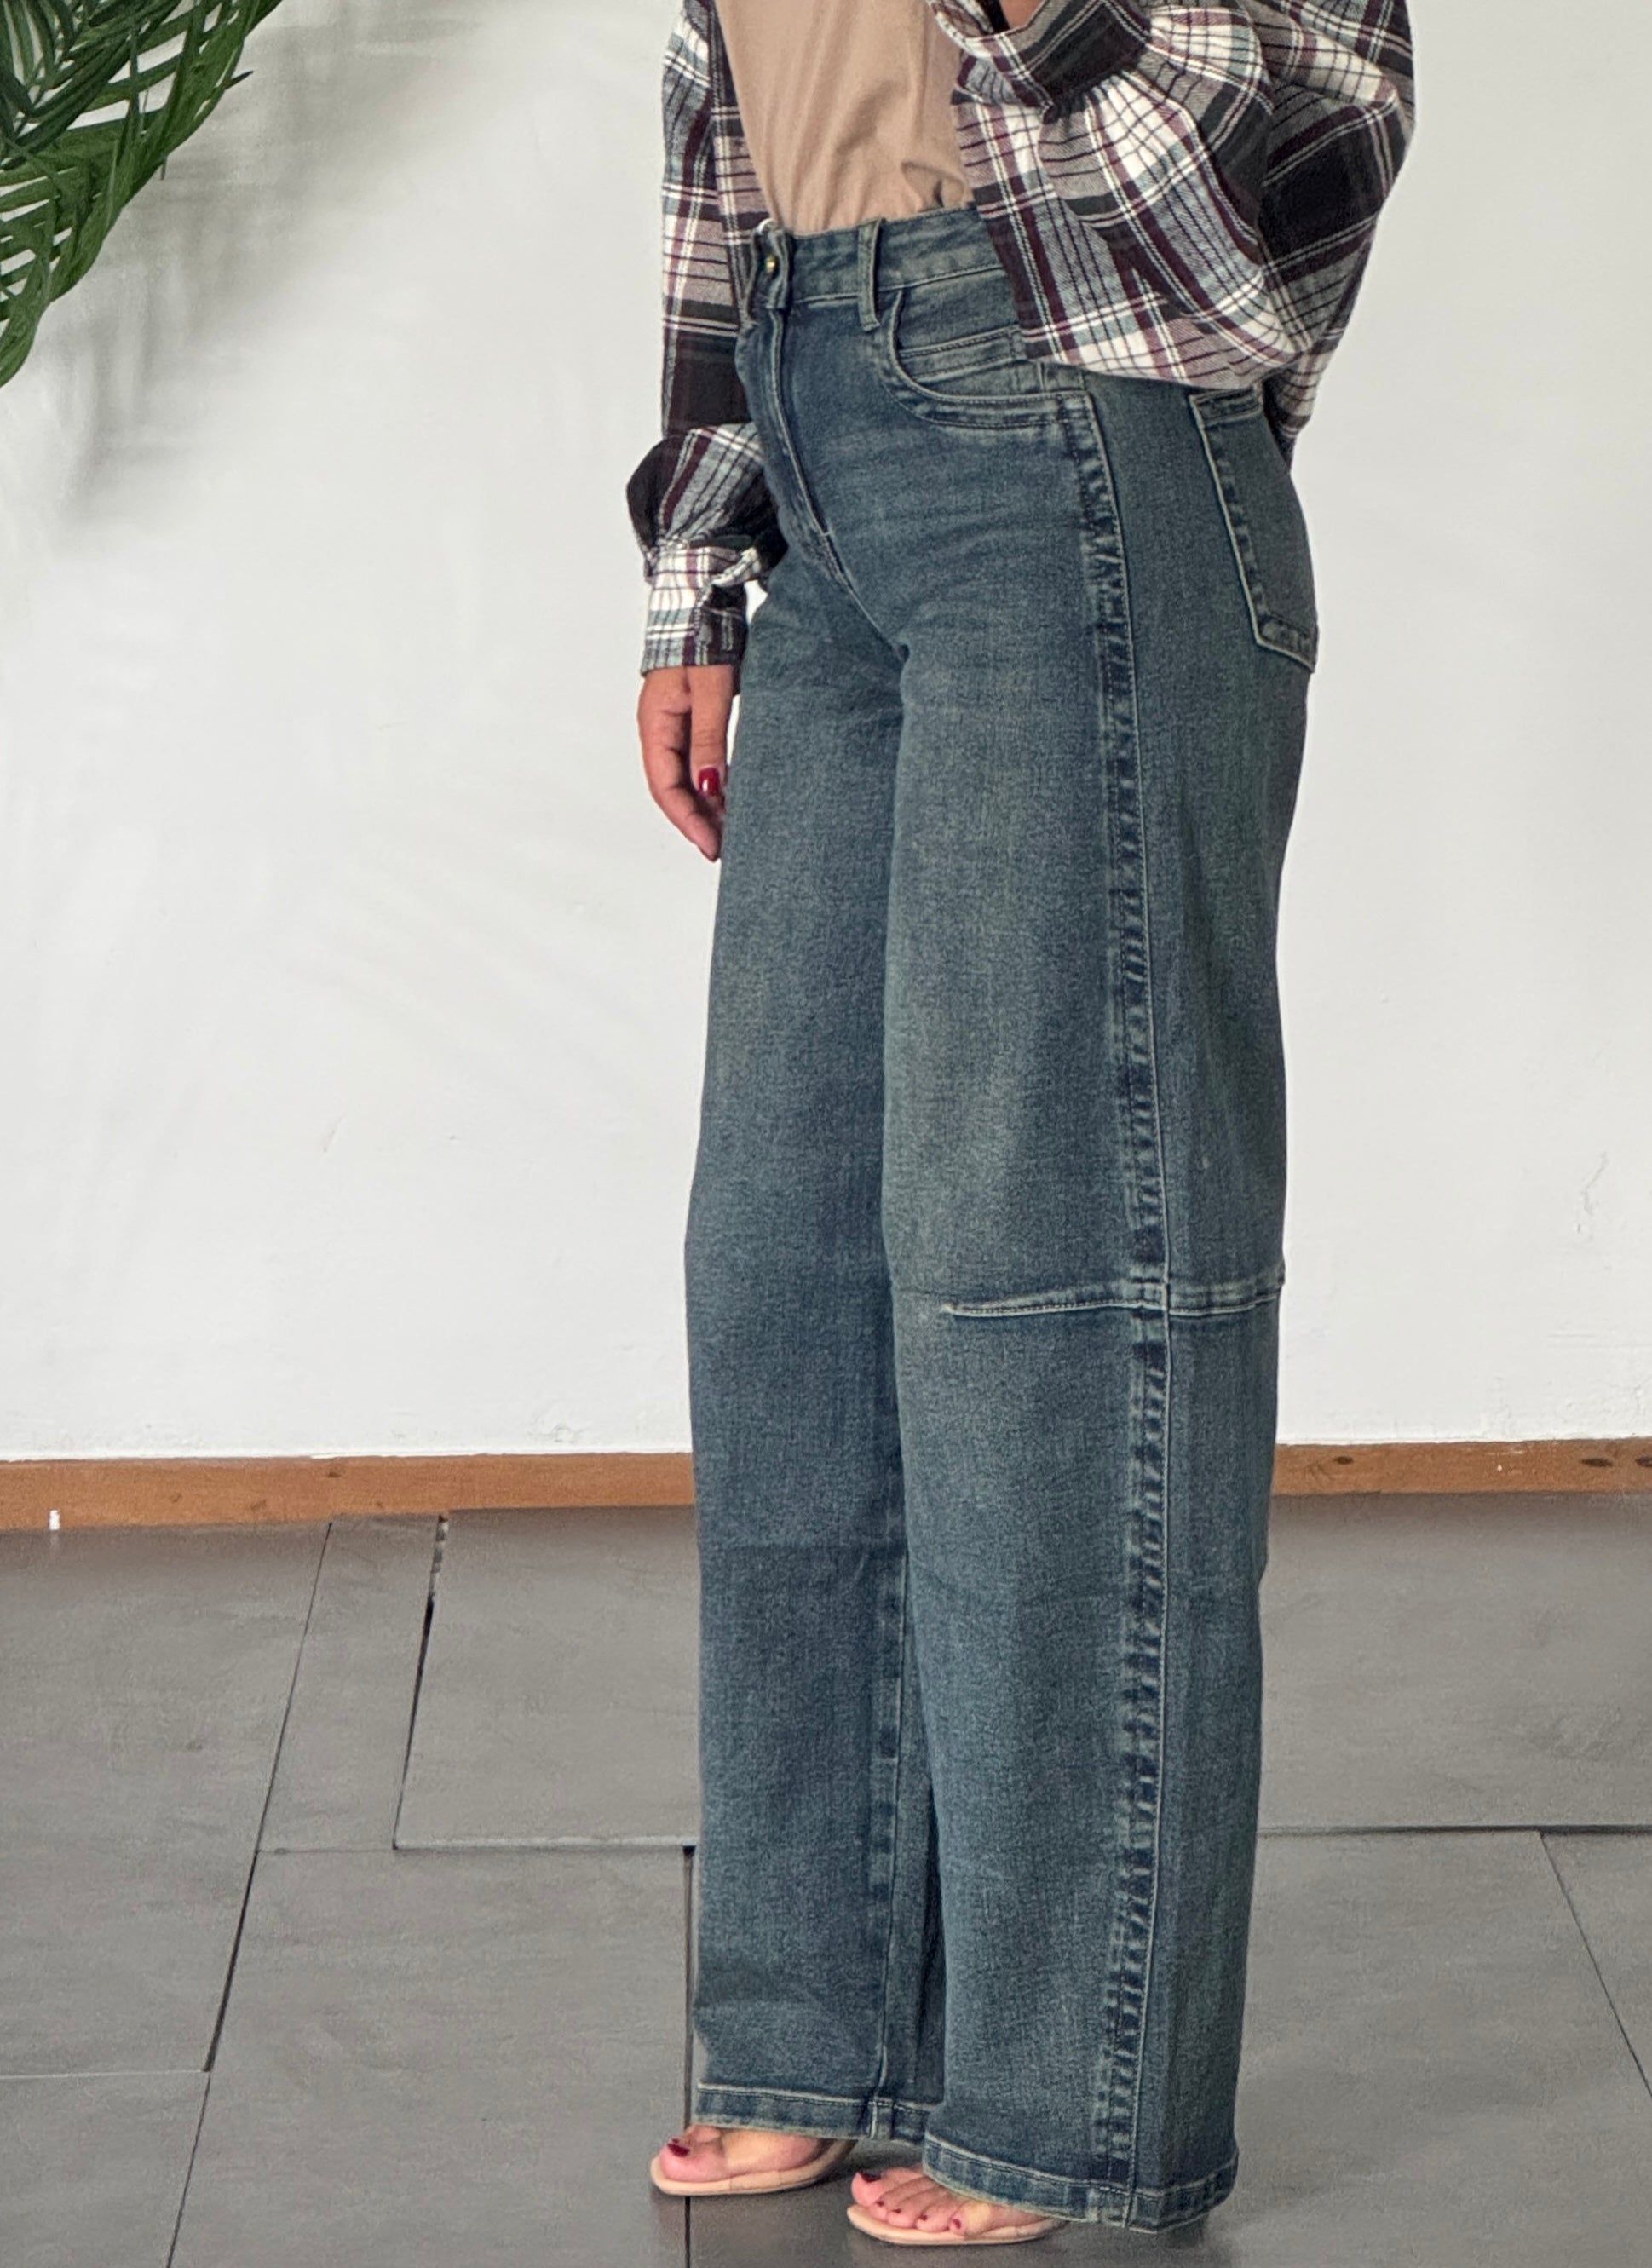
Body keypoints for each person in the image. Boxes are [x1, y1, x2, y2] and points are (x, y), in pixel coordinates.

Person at [626, 0, 1414, 2246]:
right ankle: (823, 2026)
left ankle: (1069, 2086)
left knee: (1048, 1284)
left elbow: (1317, 139)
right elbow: (730, 125)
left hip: (1085, 442)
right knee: (789, 1280)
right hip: (824, 456)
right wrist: (703, 560)